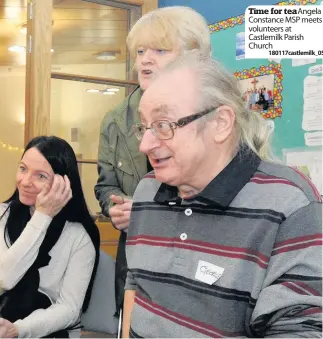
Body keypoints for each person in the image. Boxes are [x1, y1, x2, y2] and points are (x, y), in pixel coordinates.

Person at [122, 52, 322, 337]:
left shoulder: (290, 202)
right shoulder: (147, 190)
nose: (145, 144)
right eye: (144, 126)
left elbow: (300, 329)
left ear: (221, 123)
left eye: (163, 125)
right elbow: (137, 285)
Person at [94, 6, 211, 319]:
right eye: (141, 50)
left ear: (194, 57)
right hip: (136, 261)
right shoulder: (115, 120)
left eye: (160, 49)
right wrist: (115, 208)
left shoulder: (215, 117)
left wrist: (149, 211)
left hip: (200, 265)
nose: (145, 59)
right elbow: (106, 183)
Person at [0, 136, 101, 338]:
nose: (25, 181)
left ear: (64, 183)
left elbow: (70, 309)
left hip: (53, 330)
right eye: (23, 168)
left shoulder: (79, 235)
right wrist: (42, 217)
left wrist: (19, 330)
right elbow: (6, 278)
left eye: (41, 176)